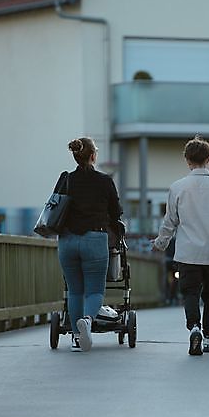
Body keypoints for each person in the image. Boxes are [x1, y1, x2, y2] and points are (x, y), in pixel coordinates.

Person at [152, 135, 209, 355]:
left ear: (187, 160)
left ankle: (194, 328)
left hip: (187, 253)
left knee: (190, 293)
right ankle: (208, 337)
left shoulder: (177, 188)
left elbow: (170, 222)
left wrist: (160, 244)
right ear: (208, 159)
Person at [56, 137, 123, 352]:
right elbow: (116, 212)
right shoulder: (104, 181)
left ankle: (76, 337)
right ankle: (87, 319)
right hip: (95, 238)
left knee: (75, 290)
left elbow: (55, 206)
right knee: (94, 291)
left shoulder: (66, 179)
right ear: (94, 156)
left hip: (67, 240)